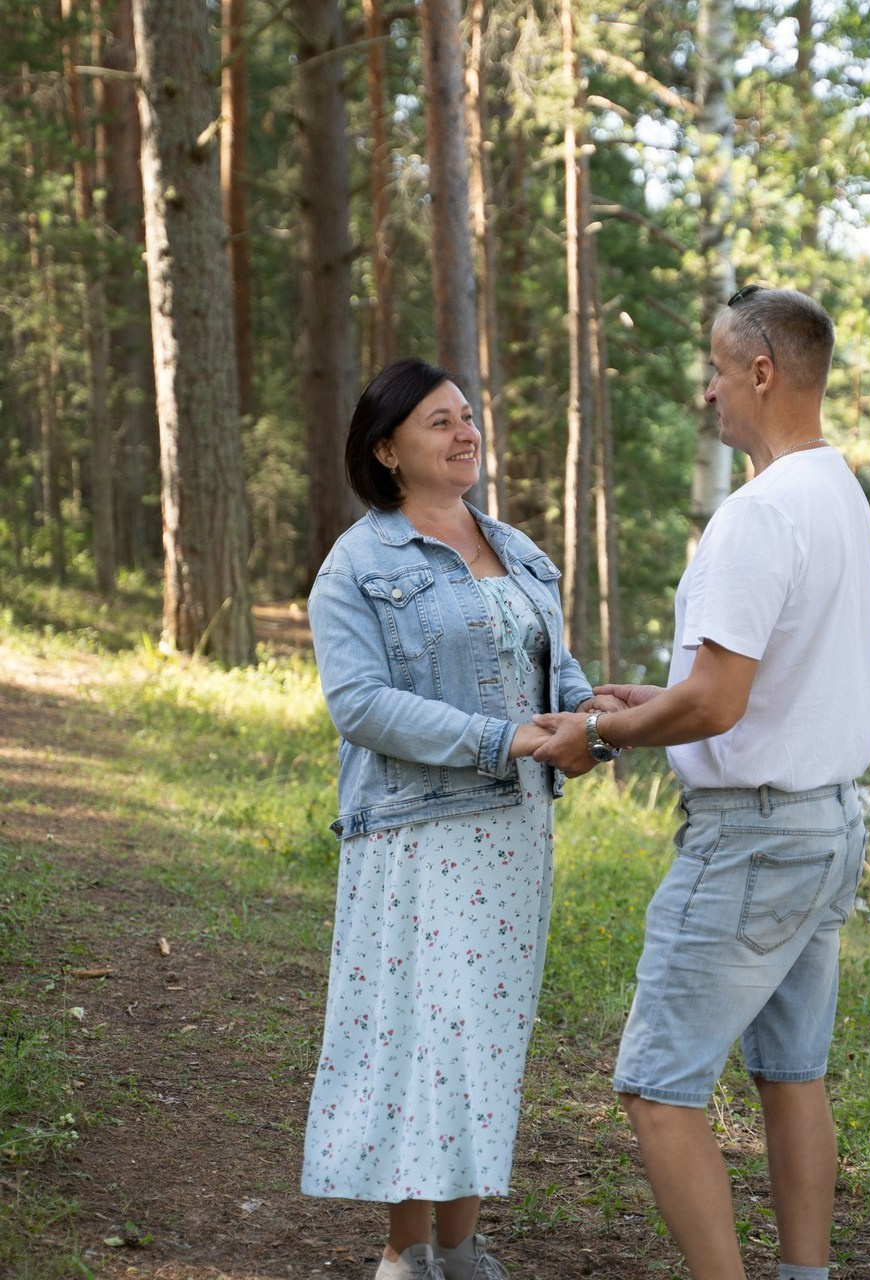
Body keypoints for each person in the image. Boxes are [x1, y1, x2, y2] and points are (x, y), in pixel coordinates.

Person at [532, 286, 870, 1280]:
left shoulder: (758, 515)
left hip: (754, 841)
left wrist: (599, 732)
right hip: (823, 828)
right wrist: (664, 697)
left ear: (760, 373)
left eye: (718, 370)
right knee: (791, 1070)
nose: (708, 391)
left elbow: (719, 705)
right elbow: (764, 679)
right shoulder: (835, 492)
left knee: (656, 1085)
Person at [301, 358, 615, 1280]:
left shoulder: (518, 551)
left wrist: (596, 726)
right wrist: (505, 739)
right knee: (416, 1037)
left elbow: (555, 676)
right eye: (440, 422)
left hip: (516, 837)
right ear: (388, 450)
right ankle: (406, 1251)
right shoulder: (358, 563)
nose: (464, 431)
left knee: (484, 1035)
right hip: (417, 832)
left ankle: (462, 1243)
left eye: (467, 415)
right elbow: (358, 704)